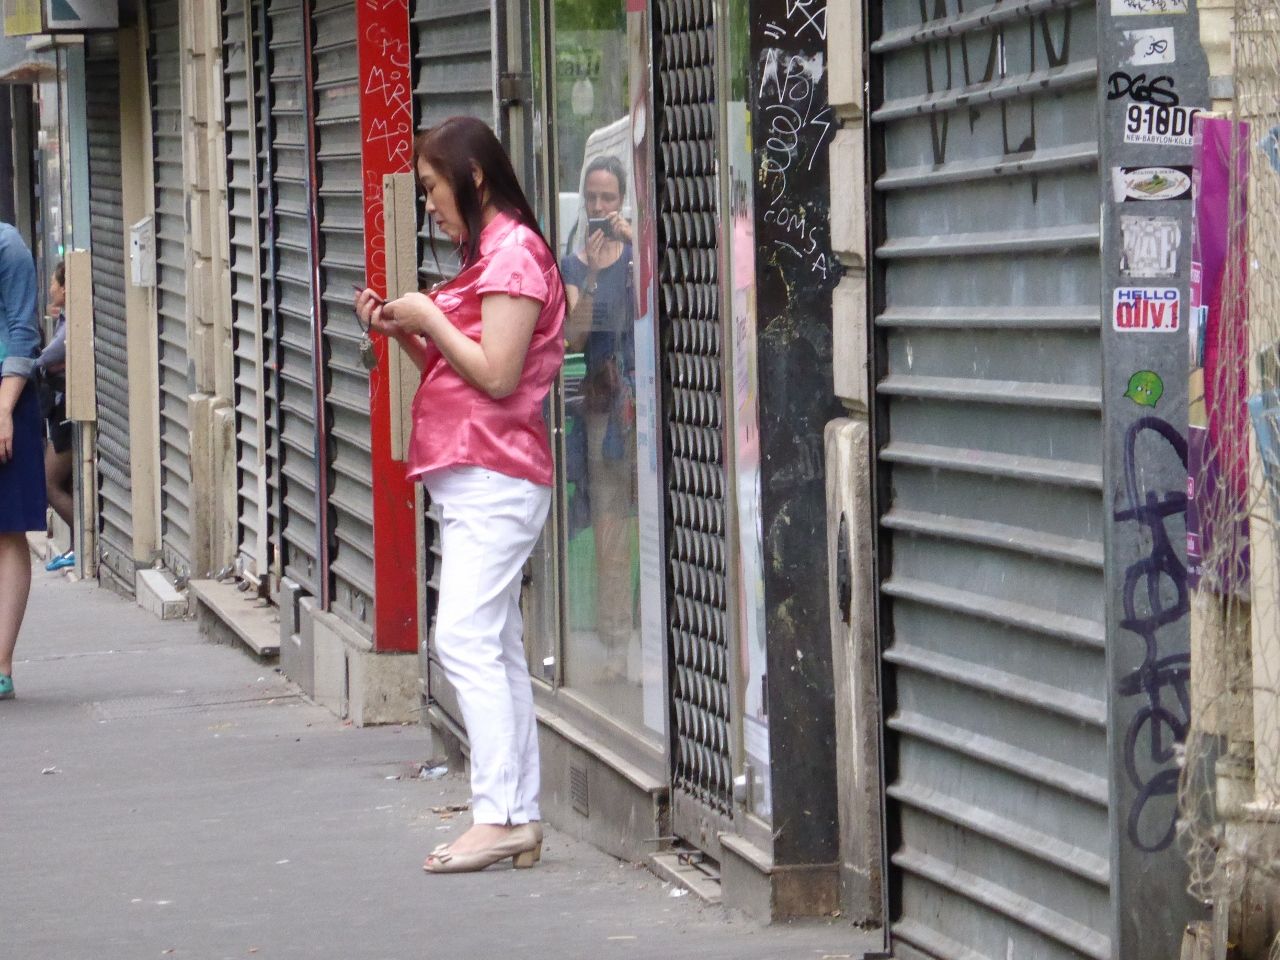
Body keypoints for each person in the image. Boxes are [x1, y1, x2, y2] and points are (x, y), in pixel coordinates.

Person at [354, 116, 565, 874]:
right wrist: (404, 329)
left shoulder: (513, 254)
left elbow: (501, 374)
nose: (430, 206)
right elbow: (466, 368)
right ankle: (517, 811)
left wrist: (428, 313)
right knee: (494, 644)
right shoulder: (496, 255)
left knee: (466, 639)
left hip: (495, 474)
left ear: (472, 179)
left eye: (433, 189)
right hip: (481, 472)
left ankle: (500, 813)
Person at [561, 155, 636, 681]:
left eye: (608, 198)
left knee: (652, 528)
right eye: (591, 198)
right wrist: (589, 274)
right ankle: (614, 649)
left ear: (623, 201)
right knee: (609, 534)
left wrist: (637, 241)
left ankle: (656, 641)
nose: (599, 208)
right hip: (604, 411)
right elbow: (574, 338)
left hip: (646, 408)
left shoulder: (639, 253)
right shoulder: (573, 265)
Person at [0, 220, 46, 701]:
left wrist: (4, 410)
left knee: (7, 530)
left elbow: (21, 331)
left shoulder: (6, 245)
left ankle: (2, 665)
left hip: (5, 394)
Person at [36, 262, 74, 571]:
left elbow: (48, 357)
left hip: (65, 413)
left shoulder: (70, 325)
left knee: (48, 482)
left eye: (54, 283)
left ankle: (84, 544)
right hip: (60, 412)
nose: (50, 288)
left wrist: (26, 365)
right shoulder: (64, 320)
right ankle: (77, 546)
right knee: (64, 482)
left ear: (65, 287)